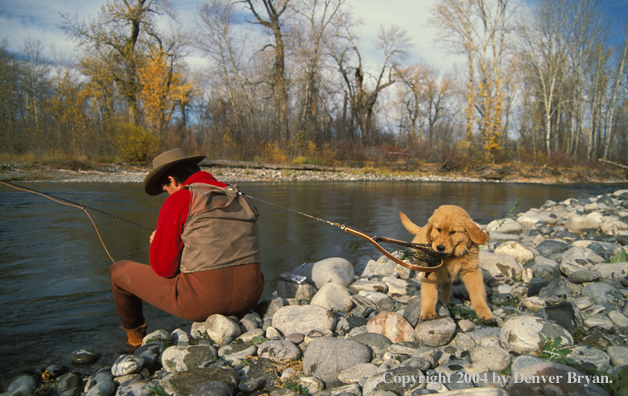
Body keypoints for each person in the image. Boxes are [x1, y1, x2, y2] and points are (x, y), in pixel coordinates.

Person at [109, 148, 265, 350]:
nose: (167, 193)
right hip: (251, 296)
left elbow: (164, 269)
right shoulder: (237, 195)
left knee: (118, 272)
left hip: (205, 302)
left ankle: (135, 342)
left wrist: (157, 241)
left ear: (172, 180)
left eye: (166, 188)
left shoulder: (179, 199)